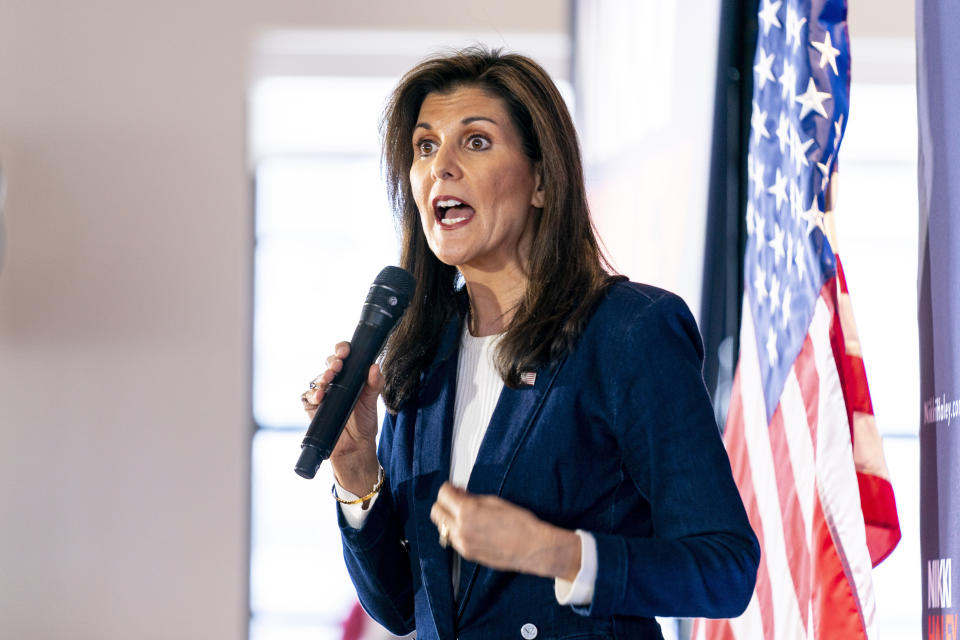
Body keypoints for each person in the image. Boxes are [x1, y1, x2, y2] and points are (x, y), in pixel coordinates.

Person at [301, 47, 759, 640]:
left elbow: (725, 572)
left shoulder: (629, 330)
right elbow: (399, 607)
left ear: (542, 180)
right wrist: (357, 470)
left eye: (476, 141)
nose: (441, 166)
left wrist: (558, 554)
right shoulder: (422, 354)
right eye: (425, 145)